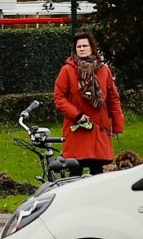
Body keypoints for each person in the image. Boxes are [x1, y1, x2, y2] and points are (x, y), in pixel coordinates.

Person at [51, 31, 124, 177]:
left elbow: (113, 98)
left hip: (99, 130)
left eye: (85, 45)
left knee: (98, 174)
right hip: (77, 130)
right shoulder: (67, 70)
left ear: (92, 48)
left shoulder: (104, 70)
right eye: (79, 47)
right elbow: (59, 98)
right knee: (75, 172)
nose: (82, 49)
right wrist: (77, 115)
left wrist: (117, 125)